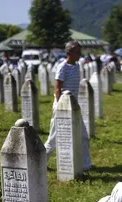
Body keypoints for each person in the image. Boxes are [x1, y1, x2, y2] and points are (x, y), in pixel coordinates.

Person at [43, 41, 91, 170]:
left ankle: (86, 165)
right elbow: (57, 88)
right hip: (62, 106)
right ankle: (40, 161)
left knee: (84, 136)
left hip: (73, 106)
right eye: (78, 52)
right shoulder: (62, 66)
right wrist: (60, 107)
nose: (80, 54)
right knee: (53, 139)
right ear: (69, 53)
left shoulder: (77, 66)